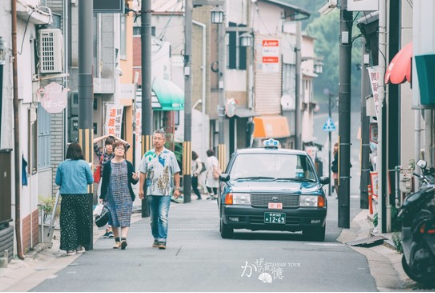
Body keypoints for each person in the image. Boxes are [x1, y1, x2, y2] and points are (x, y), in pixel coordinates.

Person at [138, 130, 181, 250]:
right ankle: (156, 238)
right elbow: (142, 172)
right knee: (153, 218)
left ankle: (162, 240)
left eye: (158, 138)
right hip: (151, 191)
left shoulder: (170, 155)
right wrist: (141, 188)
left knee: (163, 216)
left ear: (164, 140)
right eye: (154, 138)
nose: (156, 140)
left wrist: (177, 188)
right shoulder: (147, 155)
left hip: (165, 192)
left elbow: (176, 172)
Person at [55, 142, 94, 256]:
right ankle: (80, 245)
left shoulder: (62, 165)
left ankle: (69, 248)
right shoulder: (84, 164)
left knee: (68, 222)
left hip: (67, 196)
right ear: (79, 151)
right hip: (81, 195)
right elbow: (90, 180)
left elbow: (57, 181)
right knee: (82, 220)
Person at [100, 141, 139, 250]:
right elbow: (105, 181)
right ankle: (117, 240)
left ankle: (124, 239)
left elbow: (133, 181)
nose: (120, 150)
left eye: (122, 148)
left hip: (126, 196)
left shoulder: (128, 164)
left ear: (125, 151)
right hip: (111, 196)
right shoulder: (108, 165)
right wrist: (102, 196)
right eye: (117, 148)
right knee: (113, 218)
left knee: (125, 217)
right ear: (113, 150)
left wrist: (136, 178)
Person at [93, 134, 130, 238]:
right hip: (104, 182)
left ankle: (113, 227)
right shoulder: (102, 155)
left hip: (116, 182)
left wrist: (115, 138)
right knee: (106, 205)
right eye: (107, 144)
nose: (109, 147)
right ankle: (108, 229)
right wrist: (104, 136)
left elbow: (127, 145)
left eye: (111, 145)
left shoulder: (116, 156)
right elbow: (92, 142)